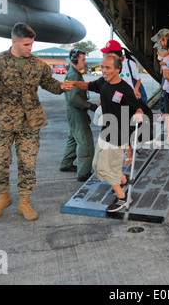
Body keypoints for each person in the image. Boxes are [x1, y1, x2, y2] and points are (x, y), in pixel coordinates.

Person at [0, 22, 74, 221]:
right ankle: (3, 196)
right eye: (26, 45)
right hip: (3, 122)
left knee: (28, 163)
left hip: (30, 122)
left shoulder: (37, 64)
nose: (30, 48)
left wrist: (62, 87)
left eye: (31, 44)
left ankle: (24, 201)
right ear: (14, 43)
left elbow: (48, 83)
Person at [67, 54, 143, 212]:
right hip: (106, 132)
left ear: (117, 69)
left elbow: (137, 106)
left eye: (107, 68)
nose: (103, 70)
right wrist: (74, 82)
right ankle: (123, 179)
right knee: (96, 165)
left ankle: (122, 197)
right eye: (102, 67)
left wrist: (139, 113)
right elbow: (87, 85)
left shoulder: (124, 89)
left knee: (105, 168)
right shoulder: (103, 83)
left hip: (118, 133)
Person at [100, 40, 146, 164]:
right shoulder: (109, 67)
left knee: (125, 127)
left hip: (127, 98)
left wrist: (135, 90)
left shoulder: (129, 63)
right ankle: (125, 152)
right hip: (116, 99)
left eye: (107, 53)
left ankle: (129, 152)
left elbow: (137, 79)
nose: (106, 57)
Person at [59, 49, 98, 181]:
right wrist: (90, 106)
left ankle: (65, 164)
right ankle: (83, 172)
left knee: (73, 138)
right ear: (75, 61)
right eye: (83, 59)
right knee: (85, 142)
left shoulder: (74, 73)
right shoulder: (74, 76)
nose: (85, 62)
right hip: (77, 112)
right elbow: (73, 98)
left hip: (73, 112)